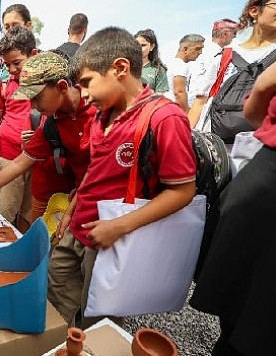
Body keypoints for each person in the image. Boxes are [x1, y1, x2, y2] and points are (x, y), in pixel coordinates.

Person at [49, 27, 196, 326]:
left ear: (120, 68)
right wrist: (71, 211)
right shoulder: (102, 115)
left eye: (88, 83)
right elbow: (95, 170)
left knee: (98, 317)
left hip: (111, 237)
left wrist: (118, 226)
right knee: (58, 288)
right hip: (78, 226)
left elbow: (182, 191)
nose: (85, 96)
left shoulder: (164, 118)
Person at [190, 57, 276, 356]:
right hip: (269, 188)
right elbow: (258, 102)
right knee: (246, 318)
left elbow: (259, 101)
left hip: (267, 179)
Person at [0, 52, 94, 222]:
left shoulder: (99, 107)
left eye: (36, 98)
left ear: (61, 87)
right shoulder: (52, 125)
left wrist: (72, 209)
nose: (33, 106)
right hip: (80, 200)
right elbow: (19, 163)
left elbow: (99, 166)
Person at [188, 0, 276, 130]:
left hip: (268, 146)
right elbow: (200, 102)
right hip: (221, 146)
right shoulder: (224, 57)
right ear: (254, 10)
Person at [0, 26, 38, 233]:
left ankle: (21, 253)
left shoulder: (45, 85)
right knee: (4, 212)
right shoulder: (5, 85)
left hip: (37, 161)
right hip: (8, 157)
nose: (12, 69)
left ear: (33, 54)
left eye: (17, 63)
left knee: (29, 213)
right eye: (7, 64)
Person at [187, 19, 238, 102]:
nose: (235, 36)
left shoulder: (207, 49)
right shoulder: (213, 52)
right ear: (224, 34)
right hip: (201, 104)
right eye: (234, 33)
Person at [0, 4, 34, 82]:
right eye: (7, 27)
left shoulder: (45, 63)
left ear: (28, 26)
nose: (11, 30)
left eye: (15, 25)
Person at [164, 34, 205, 112]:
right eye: (197, 49)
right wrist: (186, 114)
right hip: (173, 110)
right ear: (185, 49)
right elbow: (179, 92)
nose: (200, 52)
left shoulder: (170, 63)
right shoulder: (181, 66)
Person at [134, 29, 168, 94]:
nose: (138, 48)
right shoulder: (126, 67)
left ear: (152, 47)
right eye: (136, 45)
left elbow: (159, 96)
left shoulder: (158, 70)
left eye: (143, 45)